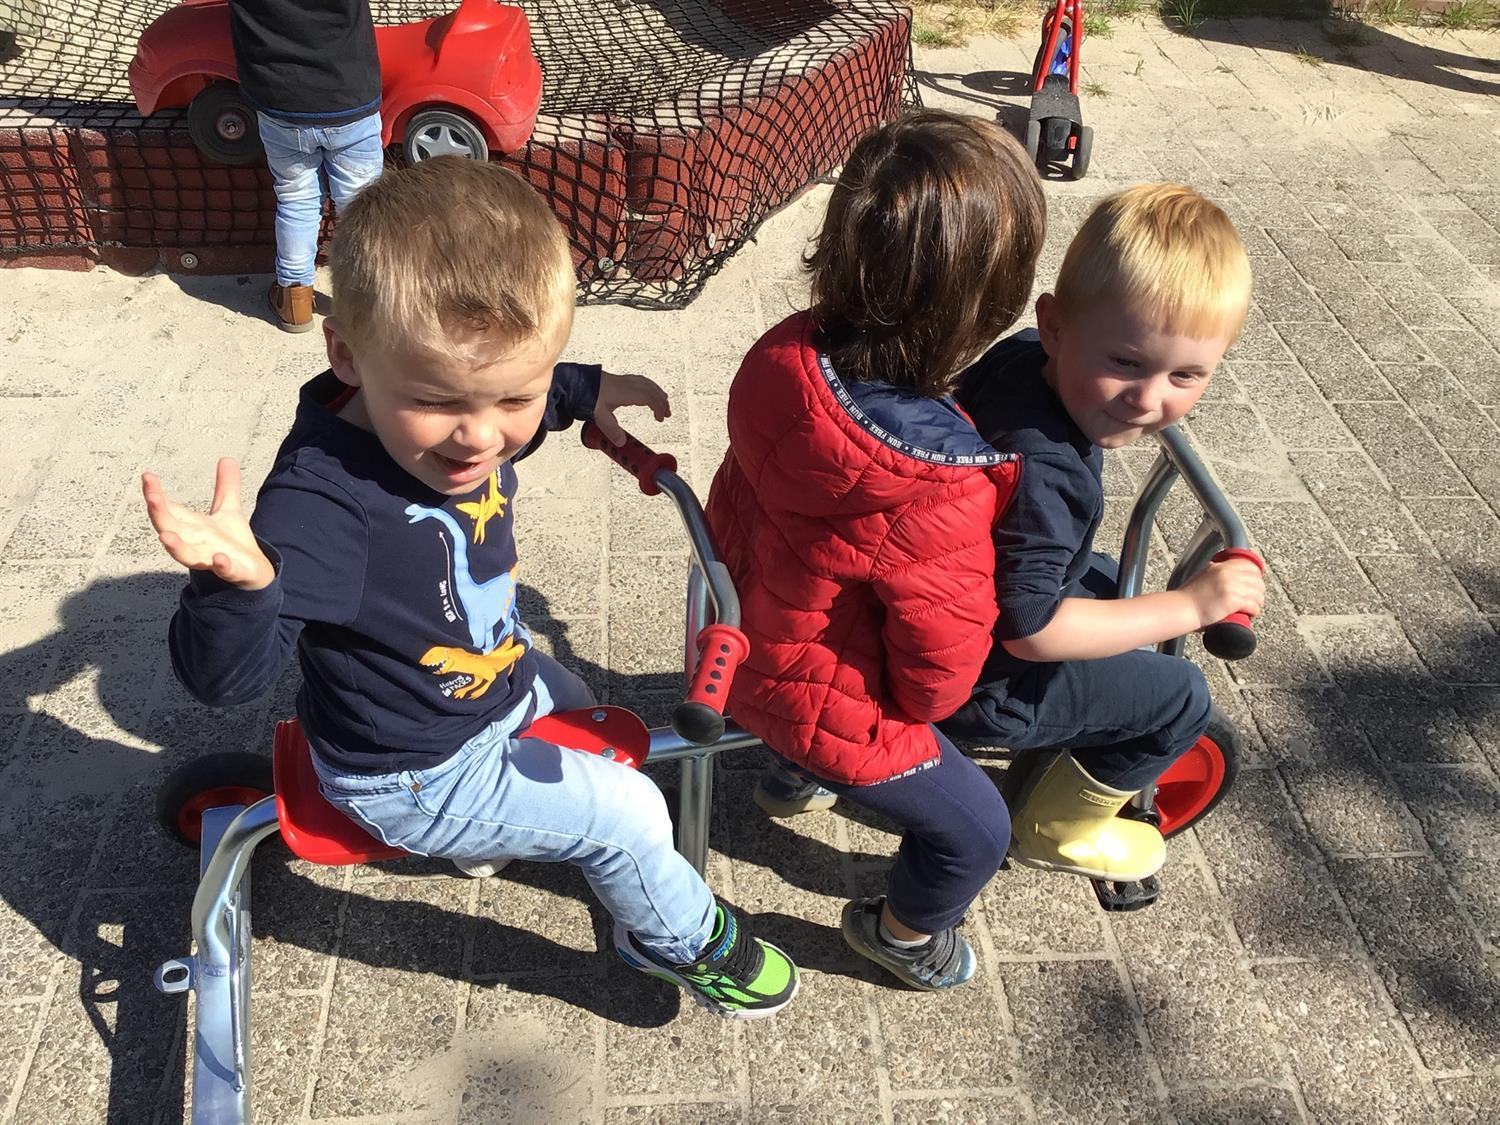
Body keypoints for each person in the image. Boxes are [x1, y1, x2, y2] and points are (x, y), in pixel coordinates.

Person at [140, 158, 799, 1019]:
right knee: (632, 813)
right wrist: (241, 587)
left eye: (513, 398)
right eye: (440, 401)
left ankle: (509, 837)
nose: (481, 438)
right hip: (412, 771)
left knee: (579, 702)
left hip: (490, 683)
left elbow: (500, 381)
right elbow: (223, 680)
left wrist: (579, 391)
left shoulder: (452, 409)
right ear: (346, 353)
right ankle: (677, 940)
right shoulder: (321, 509)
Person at [704, 110, 1046, 991]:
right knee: (978, 829)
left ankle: (788, 771)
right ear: (986, 306)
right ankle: (902, 935)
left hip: (738, 632)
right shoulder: (942, 481)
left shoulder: (785, 355)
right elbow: (936, 681)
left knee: (819, 610)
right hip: (817, 694)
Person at [943, 183, 1265, 885]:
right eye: (1125, 362)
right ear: (1056, 327)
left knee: (1109, 581)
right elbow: (1030, 630)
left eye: (1186, 374)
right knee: (1180, 696)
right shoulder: (1046, 473)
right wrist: (1193, 605)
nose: (1149, 399)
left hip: (944, 601)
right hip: (979, 683)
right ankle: (1057, 827)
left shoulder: (1021, 357)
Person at [228, 0, 385, 332]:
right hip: (349, 98)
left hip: (279, 102)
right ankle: (370, 304)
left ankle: (294, 301)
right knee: (362, 207)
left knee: (295, 199)